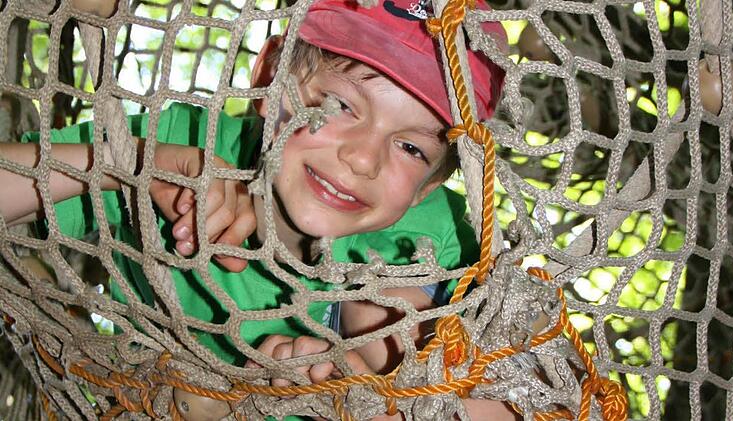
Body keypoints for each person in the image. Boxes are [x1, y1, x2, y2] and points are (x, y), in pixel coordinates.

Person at [0, 0, 514, 418]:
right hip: (155, 388)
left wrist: (359, 379)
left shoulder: (430, 236)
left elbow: (526, 395)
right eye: (339, 105)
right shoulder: (181, 142)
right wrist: (133, 165)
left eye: (411, 149)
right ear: (270, 76)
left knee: (400, 314)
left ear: (431, 185)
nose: (362, 158)